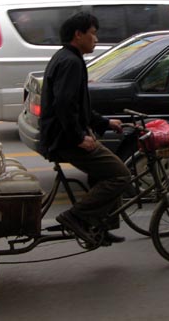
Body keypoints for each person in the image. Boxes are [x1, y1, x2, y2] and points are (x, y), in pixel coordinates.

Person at [39, 12, 131, 245]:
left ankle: (100, 227)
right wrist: (79, 138)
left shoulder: (68, 57)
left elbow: (79, 107)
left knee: (103, 173)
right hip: (64, 139)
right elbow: (64, 105)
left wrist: (104, 123)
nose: (96, 39)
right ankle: (76, 216)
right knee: (120, 175)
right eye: (92, 33)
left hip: (62, 135)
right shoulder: (71, 62)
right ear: (78, 35)